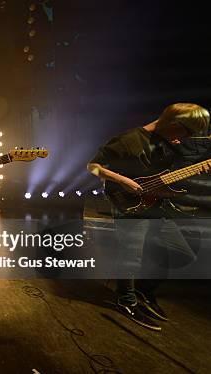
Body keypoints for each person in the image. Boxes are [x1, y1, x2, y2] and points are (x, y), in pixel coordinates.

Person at [87, 103, 210, 331]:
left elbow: (166, 171)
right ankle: (127, 300)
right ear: (174, 125)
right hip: (129, 202)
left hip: (156, 201)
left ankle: (142, 289)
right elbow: (93, 167)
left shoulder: (170, 141)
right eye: (187, 132)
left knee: (183, 252)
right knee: (130, 256)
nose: (189, 137)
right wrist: (123, 181)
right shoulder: (128, 140)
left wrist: (196, 165)